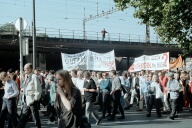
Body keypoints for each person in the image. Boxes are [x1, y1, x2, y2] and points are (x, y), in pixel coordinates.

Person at [17, 63, 42, 128]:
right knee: (23, 116)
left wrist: (35, 99)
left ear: (31, 69)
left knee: (35, 117)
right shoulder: (26, 76)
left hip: (32, 100)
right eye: (24, 68)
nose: (24, 70)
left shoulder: (34, 76)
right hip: (26, 100)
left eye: (26, 68)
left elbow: (38, 89)